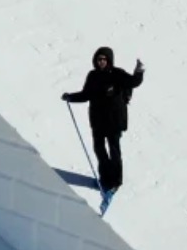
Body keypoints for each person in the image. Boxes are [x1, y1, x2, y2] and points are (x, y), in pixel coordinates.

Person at [62, 47, 145, 199]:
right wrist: (70, 97)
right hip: (98, 121)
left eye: (104, 59)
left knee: (114, 150)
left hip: (114, 121)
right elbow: (85, 95)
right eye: (99, 59)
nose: (101, 62)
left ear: (109, 60)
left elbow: (133, 82)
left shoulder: (117, 74)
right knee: (99, 149)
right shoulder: (93, 76)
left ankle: (116, 181)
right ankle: (105, 178)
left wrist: (139, 71)